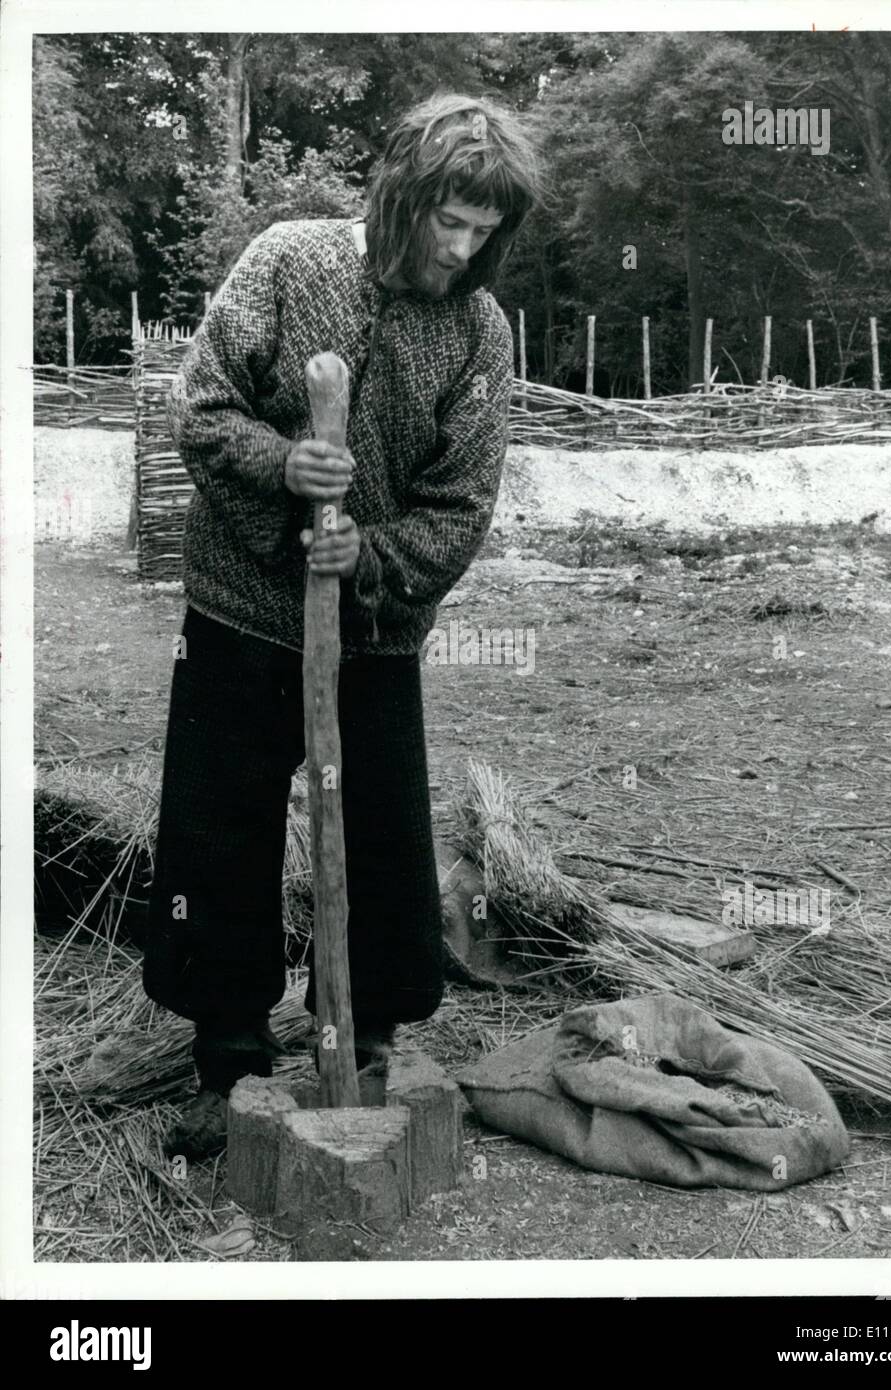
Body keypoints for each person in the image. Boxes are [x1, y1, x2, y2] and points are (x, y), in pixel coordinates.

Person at [142, 92, 543, 1159]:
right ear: (399, 195)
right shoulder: (286, 259)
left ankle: (357, 1047)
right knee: (216, 834)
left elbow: (460, 506)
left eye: (480, 231)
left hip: (371, 635)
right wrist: (287, 467)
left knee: (379, 844)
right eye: (444, 222)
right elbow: (201, 404)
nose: (460, 250)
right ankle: (227, 1062)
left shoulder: (476, 331)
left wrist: (366, 554)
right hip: (237, 608)